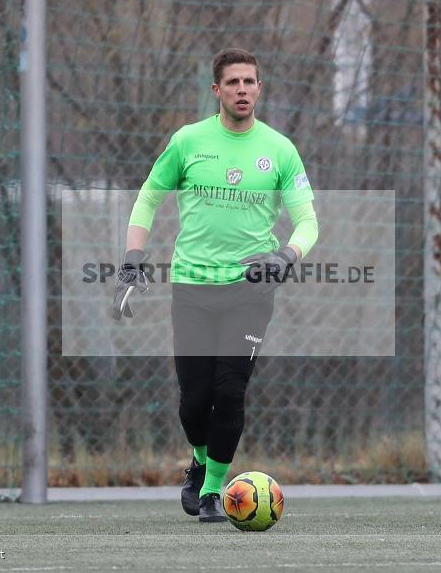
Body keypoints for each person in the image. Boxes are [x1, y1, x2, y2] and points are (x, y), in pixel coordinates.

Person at [113, 48, 318, 522]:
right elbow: (148, 197)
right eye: (233, 83)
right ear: (217, 91)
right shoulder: (188, 142)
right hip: (192, 287)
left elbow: (308, 220)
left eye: (250, 82)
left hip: (251, 289)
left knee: (230, 392)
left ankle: (211, 491)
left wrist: (286, 255)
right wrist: (132, 258)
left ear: (259, 89)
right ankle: (201, 459)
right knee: (193, 401)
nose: (242, 90)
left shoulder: (280, 150)